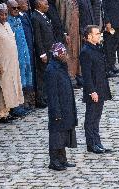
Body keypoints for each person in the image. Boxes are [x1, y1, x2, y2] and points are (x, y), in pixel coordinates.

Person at [0, 3, 24, 123]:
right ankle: (1, 114)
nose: (4, 17)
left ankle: (8, 112)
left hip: (12, 62)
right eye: (2, 15)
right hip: (2, 63)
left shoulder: (8, 24)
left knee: (11, 87)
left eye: (5, 14)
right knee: (3, 89)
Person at [44, 42, 77, 171]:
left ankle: (62, 159)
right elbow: (52, 94)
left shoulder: (61, 66)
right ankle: (54, 160)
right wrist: (56, 112)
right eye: (63, 53)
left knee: (63, 134)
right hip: (58, 109)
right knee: (56, 135)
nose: (65, 55)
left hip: (66, 107)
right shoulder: (51, 70)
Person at [80, 25, 112, 154]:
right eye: (97, 34)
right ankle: (91, 144)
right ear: (89, 36)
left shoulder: (97, 48)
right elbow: (87, 75)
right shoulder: (86, 52)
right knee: (91, 118)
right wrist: (92, 91)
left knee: (97, 118)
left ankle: (97, 142)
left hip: (101, 87)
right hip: (93, 90)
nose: (100, 35)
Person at [7, 0, 32, 116]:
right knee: (18, 81)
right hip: (15, 56)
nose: (16, 10)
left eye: (17, 8)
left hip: (24, 52)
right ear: (8, 9)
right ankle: (17, 106)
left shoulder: (18, 19)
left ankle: (24, 103)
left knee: (26, 78)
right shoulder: (8, 22)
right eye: (14, 8)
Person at [31, 0, 56, 108]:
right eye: (45, 4)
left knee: (48, 74)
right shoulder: (35, 17)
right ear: (38, 5)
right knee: (42, 76)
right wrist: (42, 53)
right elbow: (37, 37)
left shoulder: (44, 16)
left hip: (50, 50)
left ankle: (47, 96)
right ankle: (40, 99)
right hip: (44, 52)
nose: (47, 6)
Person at [56, 0, 82, 88]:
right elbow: (61, 16)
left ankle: (76, 74)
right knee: (68, 53)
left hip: (76, 29)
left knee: (76, 52)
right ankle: (70, 76)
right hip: (68, 30)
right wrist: (64, 32)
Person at [17, 0, 36, 108]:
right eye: (23, 1)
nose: (27, 3)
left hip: (28, 49)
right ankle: (23, 102)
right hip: (22, 51)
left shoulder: (25, 15)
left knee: (29, 75)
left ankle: (29, 100)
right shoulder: (17, 18)